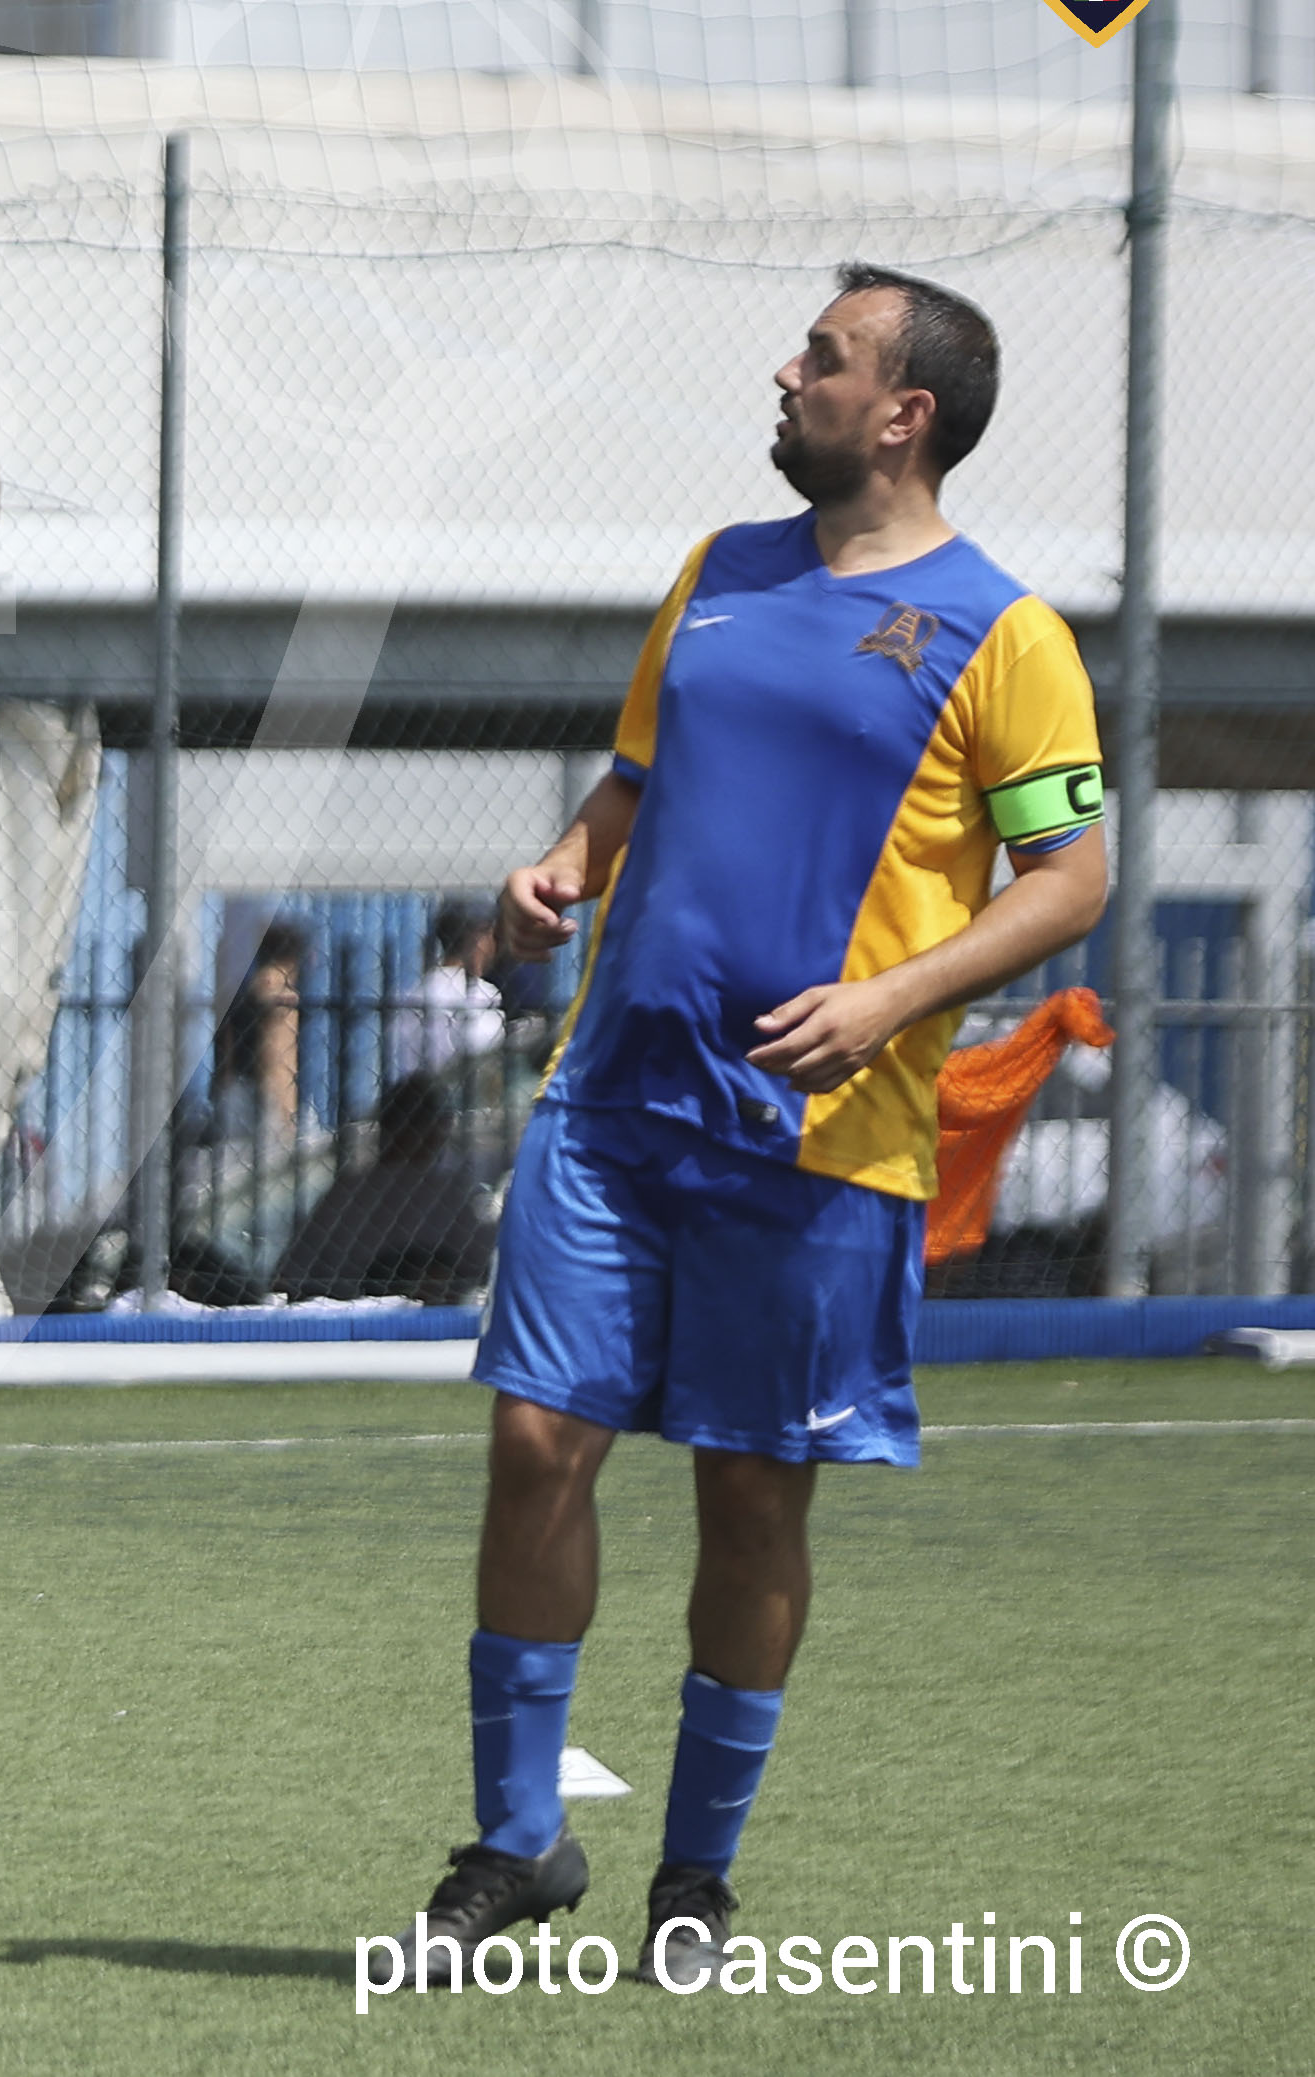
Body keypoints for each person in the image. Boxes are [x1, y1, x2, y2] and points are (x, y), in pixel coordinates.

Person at [409, 267, 1107, 1987]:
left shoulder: (1004, 633)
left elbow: (1069, 880)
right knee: (531, 1444)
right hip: (610, 1101)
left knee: (748, 1500)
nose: (785, 372)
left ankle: (693, 1881)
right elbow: (632, 785)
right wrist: (561, 867)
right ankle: (513, 1841)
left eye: (823, 356)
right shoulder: (716, 570)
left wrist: (885, 1003)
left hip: (819, 1141)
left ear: (902, 414)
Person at [270, 1072, 497, 1303]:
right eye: (410, 1122)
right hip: (354, 1310)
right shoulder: (347, 1193)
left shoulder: (449, 1192)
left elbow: (289, 1275)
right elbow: (289, 1278)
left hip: (389, 1312)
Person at [206, 917, 308, 1156]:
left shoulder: (244, 989)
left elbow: (226, 1042)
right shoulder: (283, 995)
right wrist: (287, 1107)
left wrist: (223, 1083)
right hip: (267, 1089)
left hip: (235, 1085)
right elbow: (279, 1053)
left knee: (234, 1157)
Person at [386, 898, 506, 1081]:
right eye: (491, 935)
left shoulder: (411, 994)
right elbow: (485, 1058)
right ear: (477, 937)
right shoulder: (482, 994)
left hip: (409, 1093)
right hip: (458, 1095)